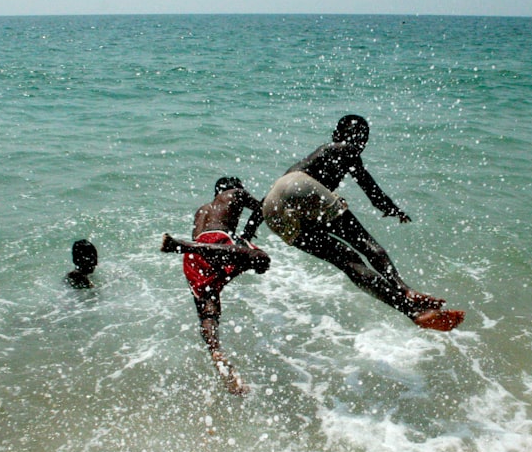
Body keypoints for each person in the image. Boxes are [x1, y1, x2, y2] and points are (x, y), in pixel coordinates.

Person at [262, 115, 463, 331]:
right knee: (366, 245)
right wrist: (392, 209)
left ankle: (413, 313)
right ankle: (404, 290)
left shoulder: (320, 156)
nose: (360, 144)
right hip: (300, 187)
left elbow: (275, 201)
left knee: (349, 261)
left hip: (272, 208)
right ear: (340, 137)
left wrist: (247, 233)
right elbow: (371, 189)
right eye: (360, 139)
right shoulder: (343, 149)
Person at [161, 177, 270, 395]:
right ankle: (181, 246)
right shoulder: (235, 193)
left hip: (195, 257)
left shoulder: (202, 210)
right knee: (261, 258)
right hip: (212, 244)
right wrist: (248, 234)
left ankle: (215, 350)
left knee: (208, 310)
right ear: (234, 186)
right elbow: (262, 209)